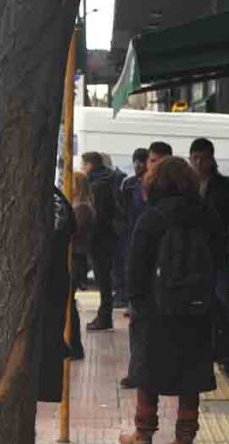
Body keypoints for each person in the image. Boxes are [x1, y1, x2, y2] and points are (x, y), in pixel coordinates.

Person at [119, 157, 220, 444]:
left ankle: (143, 434)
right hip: (197, 307)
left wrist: (137, 303)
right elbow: (218, 258)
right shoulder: (206, 215)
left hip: (156, 307)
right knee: (192, 372)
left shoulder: (152, 218)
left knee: (148, 370)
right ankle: (184, 439)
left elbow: (136, 267)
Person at [189, 138, 229, 378]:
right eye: (194, 158)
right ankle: (197, 356)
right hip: (190, 259)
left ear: (212, 160)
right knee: (193, 308)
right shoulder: (184, 186)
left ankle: (224, 356)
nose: (198, 163)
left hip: (217, 257)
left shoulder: (224, 187)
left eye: (203, 159)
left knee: (222, 307)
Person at [118, 148, 152, 389]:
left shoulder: (162, 189)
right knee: (138, 321)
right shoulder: (129, 185)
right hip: (134, 248)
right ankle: (138, 371)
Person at [80, 152, 117, 331]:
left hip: (99, 238)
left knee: (103, 280)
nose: (82, 169)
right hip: (111, 235)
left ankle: (104, 317)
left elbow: (98, 215)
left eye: (83, 165)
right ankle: (105, 315)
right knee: (106, 279)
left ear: (89, 165)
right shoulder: (110, 179)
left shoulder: (95, 185)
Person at [101, 153, 130, 308]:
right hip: (120, 227)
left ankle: (121, 294)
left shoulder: (107, 182)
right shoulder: (118, 180)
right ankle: (121, 293)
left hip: (116, 229)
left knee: (118, 264)